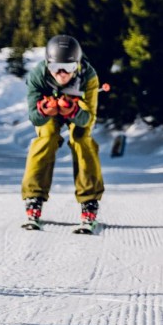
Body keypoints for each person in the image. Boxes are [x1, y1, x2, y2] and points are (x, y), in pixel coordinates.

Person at [22, 35, 105, 228]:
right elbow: (34, 117)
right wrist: (44, 110)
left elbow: (87, 119)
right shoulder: (37, 75)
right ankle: (33, 197)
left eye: (67, 68)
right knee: (46, 137)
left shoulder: (88, 76)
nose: (61, 74)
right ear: (47, 64)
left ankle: (89, 200)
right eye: (54, 68)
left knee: (81, 139)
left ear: (76, 65)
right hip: (50, 110)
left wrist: (73, 110)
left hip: (76, 109)